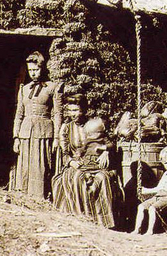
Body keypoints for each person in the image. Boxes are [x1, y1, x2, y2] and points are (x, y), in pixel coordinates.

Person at [51, 94, 121, 228]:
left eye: (76, 110)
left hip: (96, 162)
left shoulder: (95, 124)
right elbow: (64, 153)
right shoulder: (66, 128)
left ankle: (104, 221)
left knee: (103, 178)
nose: (73, 114)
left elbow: (108, 142)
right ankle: (82, 216)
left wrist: (106, 151)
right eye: (70, 110)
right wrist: (71, 162)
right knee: (77, 177)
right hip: (77, 163)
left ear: (84, 110)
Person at [12, 51, 62, 199]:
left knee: (40, 165)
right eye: (31, 70)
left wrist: (57, 137)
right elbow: (19, 114)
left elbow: (58, 113)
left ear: (43, 68)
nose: (33, 73)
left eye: (36, 69)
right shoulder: (24, 89)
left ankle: (40, 197)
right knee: (25, 166)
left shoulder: (53, 87)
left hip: (43, 131)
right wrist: (16, 137)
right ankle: (24, 197)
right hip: (26, 132)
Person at [130, 146, 167, 235]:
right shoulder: (166, 173)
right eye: (166, 163)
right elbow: (159, 188)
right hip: (159, 195)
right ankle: (137, 229)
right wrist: (145, 190)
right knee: (141, 207)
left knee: (152, 208)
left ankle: (150, 230)